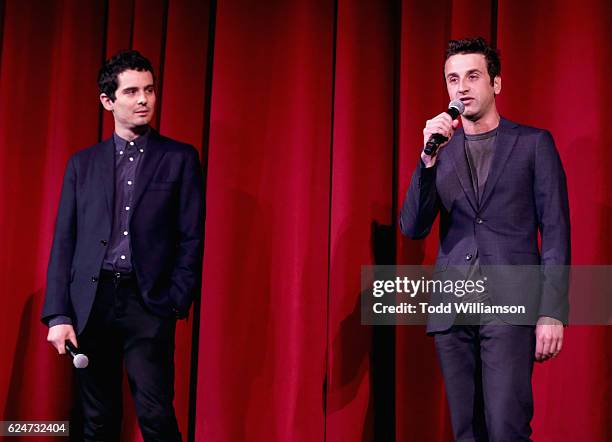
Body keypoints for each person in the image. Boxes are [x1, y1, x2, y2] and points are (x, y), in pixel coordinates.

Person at [399, 37, 570, 441]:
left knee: (506, 428)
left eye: (472, 76)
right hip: (453, 311)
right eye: (453, 79)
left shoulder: (533, 144)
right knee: (467, 432)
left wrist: (552, 311)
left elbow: (557, 230)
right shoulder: (441, 152)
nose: (461, 88)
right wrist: (426, 162)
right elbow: (412, 226)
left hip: (509, 306)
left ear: (496, 84)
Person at [41, 50, 204, 441]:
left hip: (148, 303)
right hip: (92, 304)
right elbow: (65, 240)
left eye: (149, 89)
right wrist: (58, 314)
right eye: (131, 91)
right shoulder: (83, 164)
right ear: (108, 101)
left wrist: (176, 299)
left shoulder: (179, 158)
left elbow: (191, 235)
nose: (144, 99)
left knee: (156, 413)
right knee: (97, 419)